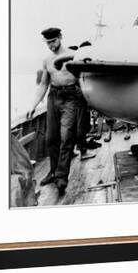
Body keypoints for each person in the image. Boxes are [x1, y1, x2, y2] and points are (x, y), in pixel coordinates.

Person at [26, 27, 93, 195]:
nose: (51, 45)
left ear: (60, 37)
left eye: (53, 41)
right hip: (53, 97)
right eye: (48, 43)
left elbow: (83, 79)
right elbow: (43, 84)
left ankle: (62, 176)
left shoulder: (73, 55)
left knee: (66, 136)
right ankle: (53, 171)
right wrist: (33, 105)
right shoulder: (47, 61)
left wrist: (90, 98)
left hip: (70, 97)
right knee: (50, 138)